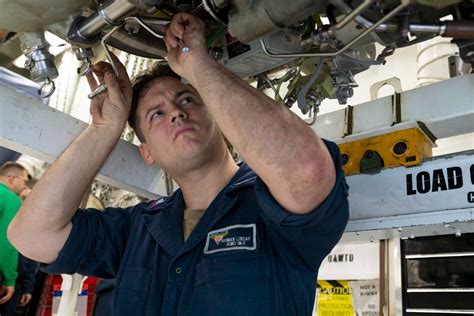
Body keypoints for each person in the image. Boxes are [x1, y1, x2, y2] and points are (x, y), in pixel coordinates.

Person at [8, 13, 349, 315]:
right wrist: (104, 129)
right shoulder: (137, 229)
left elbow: (308, 171)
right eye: (156, 114)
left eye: (186, 99)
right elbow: (32, 234)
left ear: (218, 115)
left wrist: (198, 64)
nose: (175, 111)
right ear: (147, 153)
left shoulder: (270, 206)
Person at [0, 162, 29, 307]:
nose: (25, 186)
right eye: (24, 181)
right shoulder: (12, 200)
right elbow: (6, 243)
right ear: (12, 179)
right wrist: (10, 280)